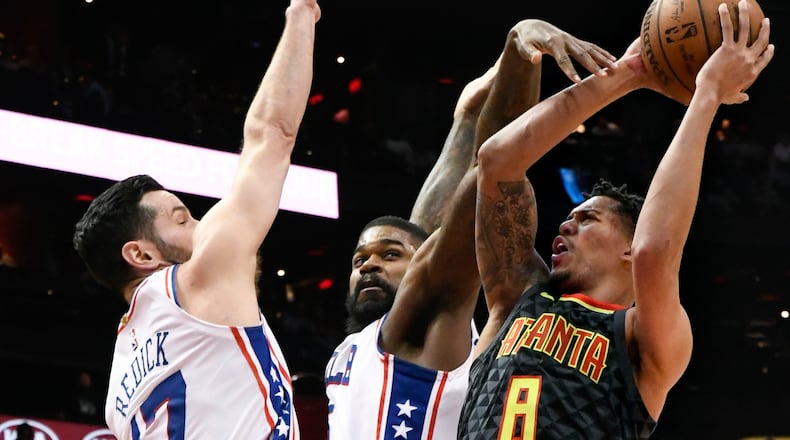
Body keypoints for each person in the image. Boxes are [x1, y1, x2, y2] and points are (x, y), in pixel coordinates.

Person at [459, 2, 774, 439]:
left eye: (587, 220)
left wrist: (706, 95)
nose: (565, 226)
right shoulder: (518, 297)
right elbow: (496, 162)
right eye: (570, 218)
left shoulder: (642, 340)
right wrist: (629, 72)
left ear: (627, 246)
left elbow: (654, 250)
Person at [325, 19, 617, 439]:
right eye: (360, 259)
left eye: (388, 257)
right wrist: (463, 120)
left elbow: (493, 170)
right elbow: (420, 231)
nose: (369, 265)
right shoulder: (362, 344)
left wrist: (522, 52)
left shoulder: (434, 322)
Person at [71, 0, 321, 438]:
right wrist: (302, 13)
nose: (202, 225)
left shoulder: (117, 386)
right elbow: (272, 135)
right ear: (141, 253)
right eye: (182, 219)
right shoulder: (198, 277)